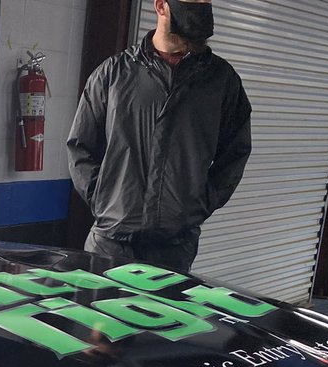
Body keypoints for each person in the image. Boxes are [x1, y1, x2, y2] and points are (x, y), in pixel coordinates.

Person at [66, 0, 252, 272]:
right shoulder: (114, 74)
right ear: (162, 6)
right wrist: (104, 199)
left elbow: (235, 154)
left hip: (174, 248)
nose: (203, 8)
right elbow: (80, 147)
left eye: (207, 2)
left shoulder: (221, 81)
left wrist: (198, 205)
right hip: (110, 242)